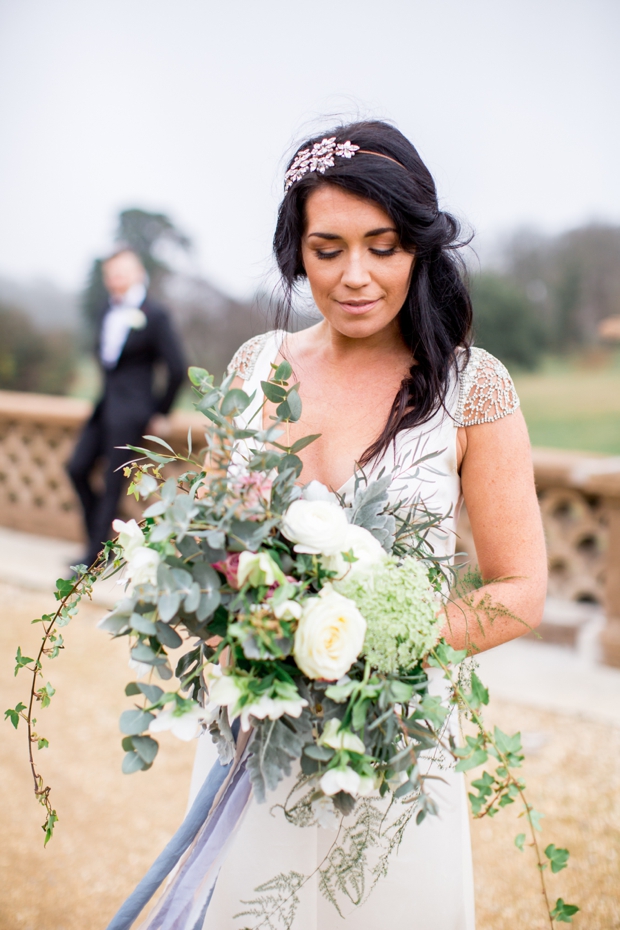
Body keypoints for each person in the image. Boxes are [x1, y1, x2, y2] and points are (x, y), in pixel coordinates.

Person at [189, 121, 547, 929]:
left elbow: (521, 589)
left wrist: (374, 647)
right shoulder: (255, 369)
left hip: (396, 746)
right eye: (328, 248)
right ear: (297, 252)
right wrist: (236, 634)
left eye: (382, 246)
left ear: (418, 248)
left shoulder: (472, 389)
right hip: (258, 737)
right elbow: (215, 550)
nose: (355, 276)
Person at [67, 248, 186, 567]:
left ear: (138, 274)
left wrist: (159, 412)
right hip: (104, 406)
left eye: (121, 272)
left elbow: (177, 368)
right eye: (109, 274)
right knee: (76, 468)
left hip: (134, 412)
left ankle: (93, 558)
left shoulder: (156, 314)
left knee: (112, 482)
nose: (114, 279)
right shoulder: (106, 308)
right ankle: (101, 538)